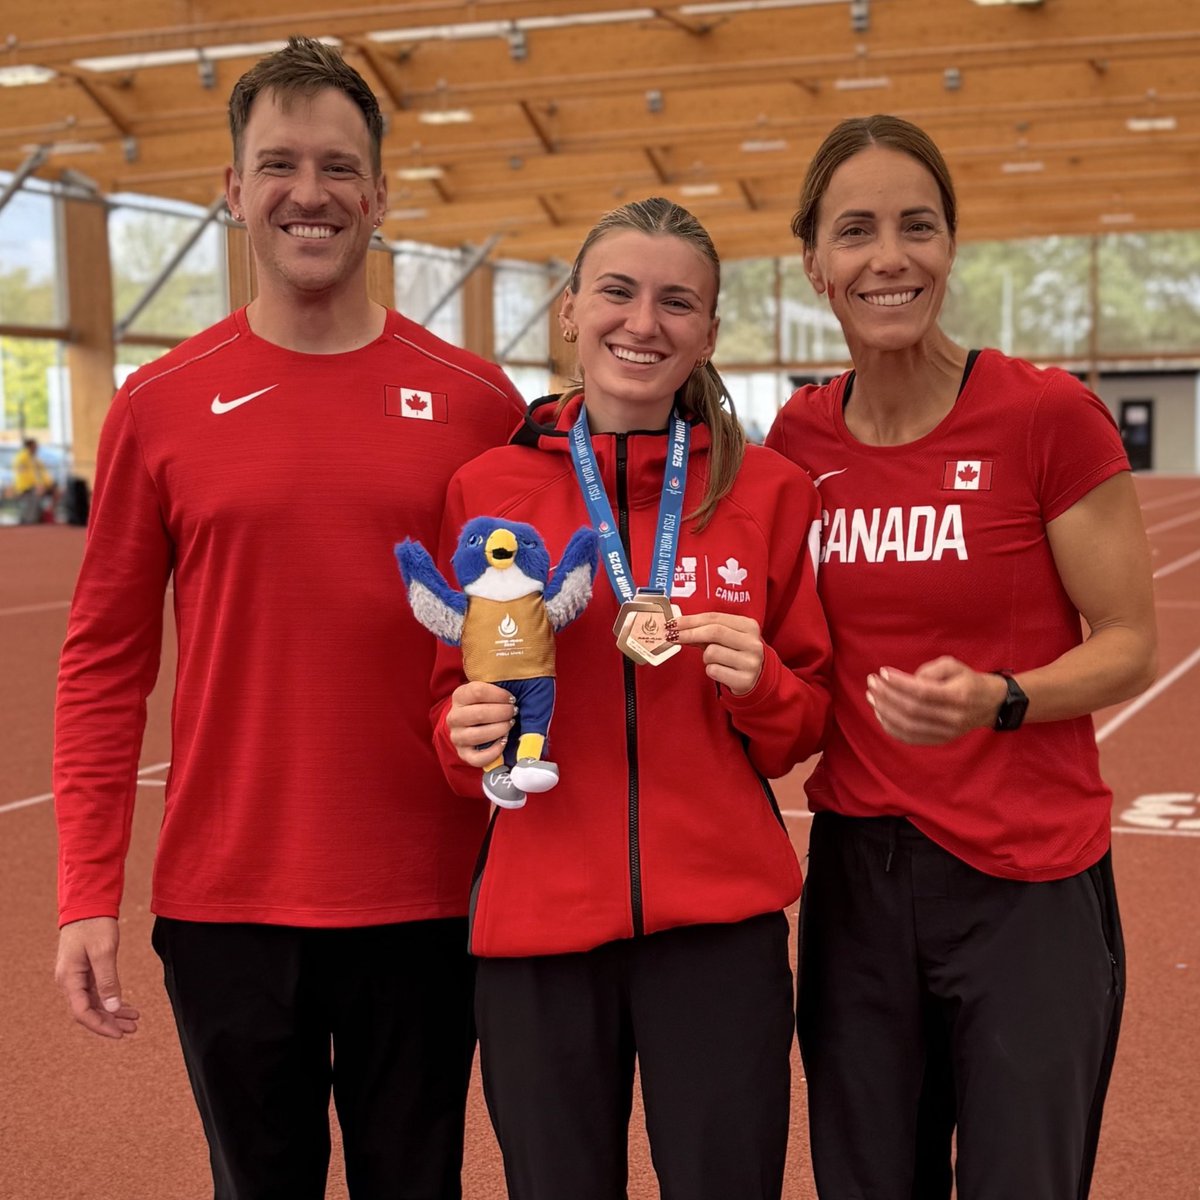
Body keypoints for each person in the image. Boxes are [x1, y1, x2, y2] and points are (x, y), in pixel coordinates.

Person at [52, 37, 524, 1200]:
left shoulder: (479, 403)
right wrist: (84, 893)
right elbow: (104, 662)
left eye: (334, 166)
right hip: (227, 905)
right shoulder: (156, 405)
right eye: (276, 164)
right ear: (232, 189)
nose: (306, 192)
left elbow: (529, 636)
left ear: (378, 193)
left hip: (427, 895)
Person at [765, 114, 1158, 1200]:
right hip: (859, 877)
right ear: (814, 264)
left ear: (951, 247)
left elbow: (1132, 642)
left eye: (917, 227)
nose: (888, 257)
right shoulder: (798, 442)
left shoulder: (1045, 416)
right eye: (855, 232)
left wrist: (1005, 697)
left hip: (1026, 883)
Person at [429, 196, 832, 1200]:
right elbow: (448, 711)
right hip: (538, 932)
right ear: (570, 311)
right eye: (616, 291)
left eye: (676, 303)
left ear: (706, 333)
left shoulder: (768, 490)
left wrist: (767, 684)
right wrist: (465, 729)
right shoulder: (485, 486)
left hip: (719, 931)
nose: (642, 323)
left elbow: (801, 727)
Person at [13, 436, 56, 523]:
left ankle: (46, 515)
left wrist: (49, 484)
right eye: (34, 446)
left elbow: (43, 474)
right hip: (26, 487)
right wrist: (36, 486)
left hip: (38, 486)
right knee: (35, 495)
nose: (37, 448)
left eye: (36, 446)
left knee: (57, 492)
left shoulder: (36, 459)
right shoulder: (22, 458)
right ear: (29, 447)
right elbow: (23, 475)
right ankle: (30, 521)